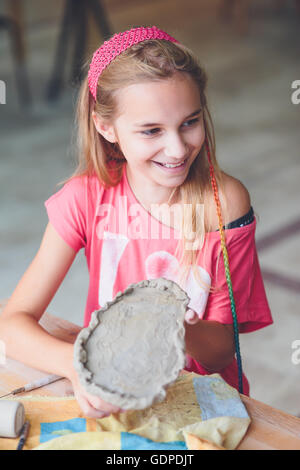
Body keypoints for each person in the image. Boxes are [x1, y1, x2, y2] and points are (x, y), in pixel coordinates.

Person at [0, 26, 273, 418]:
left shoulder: (224, 204)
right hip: (116, 402)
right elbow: (12, 324)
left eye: (190, 122)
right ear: (105, 127)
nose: (178, 148)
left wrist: (182, 327)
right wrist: (80, 370)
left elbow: (220, 354)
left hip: (201, 406)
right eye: (151, 131)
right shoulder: (86, 197)